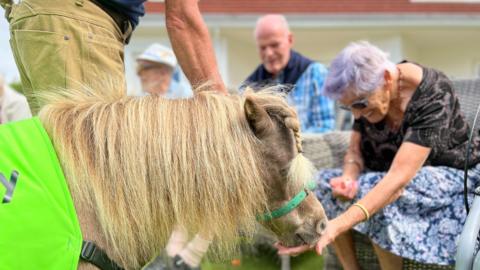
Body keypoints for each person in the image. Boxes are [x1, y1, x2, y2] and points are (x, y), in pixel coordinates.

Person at [275, 41, 480, 269]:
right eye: (348, 107)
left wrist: (337, 225)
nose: (356, 114)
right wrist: (348, 177)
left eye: (359, 104)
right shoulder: (365, 95)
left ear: (387, 79)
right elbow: (354, 152)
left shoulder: (433, 92)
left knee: (377, 189)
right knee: (323, 183)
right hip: (387, 177)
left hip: (454, 182)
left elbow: (398, 179)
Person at [1, 0, 226, 114]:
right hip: (76, 23)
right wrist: (223, 106)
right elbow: (182, 19)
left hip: (57, 20)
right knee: (96, 171)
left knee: (66, 167)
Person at [243, 14, 335, 133]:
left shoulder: (315, 74)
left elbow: (324, 128)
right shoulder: (248, 87)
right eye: (262, 48)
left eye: (274, 45)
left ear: (290, 39)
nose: (269, 53)